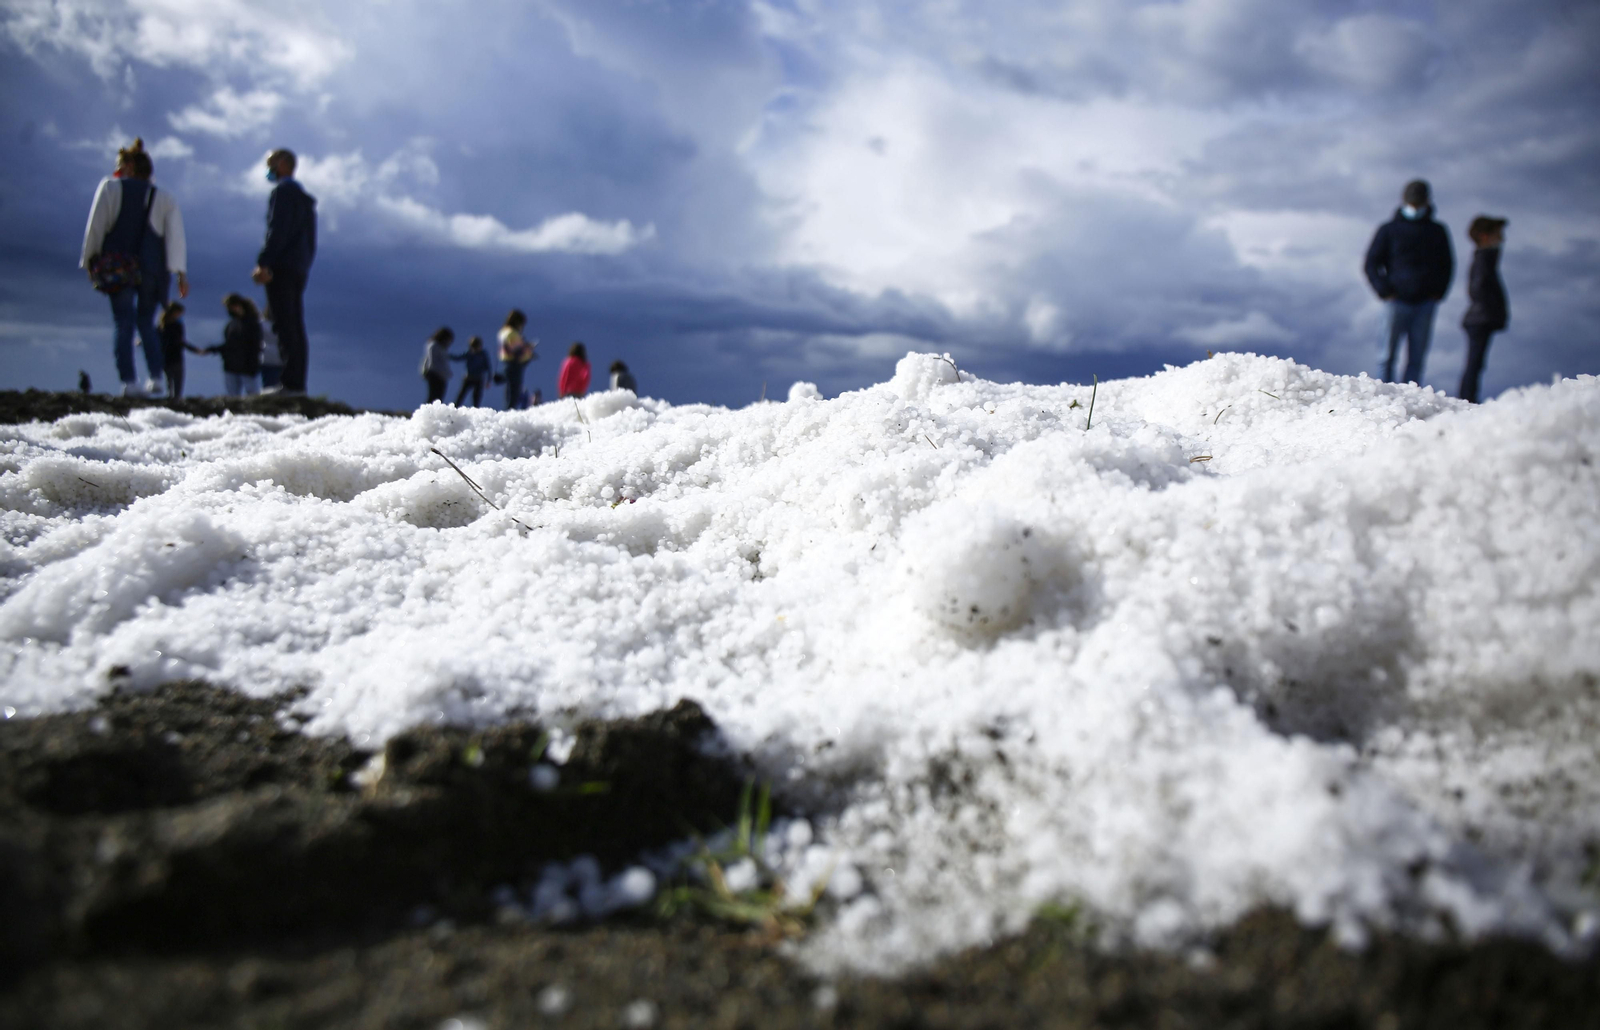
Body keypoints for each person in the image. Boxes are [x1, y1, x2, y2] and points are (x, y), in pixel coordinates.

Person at [80, 138, 190, 397]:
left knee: (123, 321)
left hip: (118, 267)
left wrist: (90, 260)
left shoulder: (110, 188)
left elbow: (96, 226)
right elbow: (175, 238)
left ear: (129, 165)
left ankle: (129, 381)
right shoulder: (164, 197)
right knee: (146, 323)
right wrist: (180, 273)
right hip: (152, 270)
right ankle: (156, 377)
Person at [1364, 179, 1454, 385]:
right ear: (1404, 201)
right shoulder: (1388, 230)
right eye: (1411, 203)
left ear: (1426, 202)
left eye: (1418, 203)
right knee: (1386, 356)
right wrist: (1384, 291)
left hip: (1425, 303)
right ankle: (1383, 399)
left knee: (1417, 359)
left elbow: (1447, 265)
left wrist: (1438, 292)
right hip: (1395, 301)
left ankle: (1411, 402)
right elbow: (1371, 263)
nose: (1414, 207)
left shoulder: (1437, 231)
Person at [252, 148, 316, 395]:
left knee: (284, 323)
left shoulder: (283, 193)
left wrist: (264, 262)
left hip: (282, 266)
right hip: (299, 267)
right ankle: (296, 381)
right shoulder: (305, 199)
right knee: (295, 324)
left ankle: (291, 383)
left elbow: (277, 230)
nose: (269, 169)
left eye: (270, 164)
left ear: (282, 164)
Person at [1459, 216, 1509, 404]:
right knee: (1475, 363)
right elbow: (1478, 288)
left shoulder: (1486, 258)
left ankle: (1468, 398)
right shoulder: (1484, 258)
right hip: (1479, 319)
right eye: (1498, 234)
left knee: (1476, 363)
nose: (1502, 239)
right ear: (1485, 236)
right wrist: (1490, 309)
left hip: (1480, 318)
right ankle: (1467, 400)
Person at [201, 293, 265, 396]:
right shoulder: (232, 324)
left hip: (247, 367)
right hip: (232, 366)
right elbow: (229, 345)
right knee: (233, 398)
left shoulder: (251, 323)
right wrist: (212, 349)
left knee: (252, 395)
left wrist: (253, 364)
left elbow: (255, 345)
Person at [158, 301, 203, 399]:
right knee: (173, 381)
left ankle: (173, 399)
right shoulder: (170, 327)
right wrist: (194, 349)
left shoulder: (164, 326)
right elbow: (180, 341)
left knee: (173, 382)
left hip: (170, 357)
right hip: (170, 358)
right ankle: (173, 400)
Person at [497, 309, 536, 409]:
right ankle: (509, 416)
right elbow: (517, 351)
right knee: (514, 394)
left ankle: (507, 413)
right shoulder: (512, 333)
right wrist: (528, 350)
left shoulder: (503, 332)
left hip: (506, 363)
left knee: (509, 392)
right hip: (515, 365)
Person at [451, 335, 491, 407]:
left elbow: (488, 367)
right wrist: (448, 356)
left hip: (478, 379)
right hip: (468, 378)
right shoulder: (469, 353)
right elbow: (458, 358)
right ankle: (454, 408)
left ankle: (475, 411)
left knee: (476, 397)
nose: (475, 349)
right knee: (461, 395)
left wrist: (488, 380)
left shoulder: (483, 354)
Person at [420, 327, 454, 404]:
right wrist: (444, 372)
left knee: (438, 398)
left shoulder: (442, 348)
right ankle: (427, 414)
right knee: (433, 396)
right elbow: (433, 362)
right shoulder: (433, 346)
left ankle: (434, 414)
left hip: (441, 375)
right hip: (434, 374)